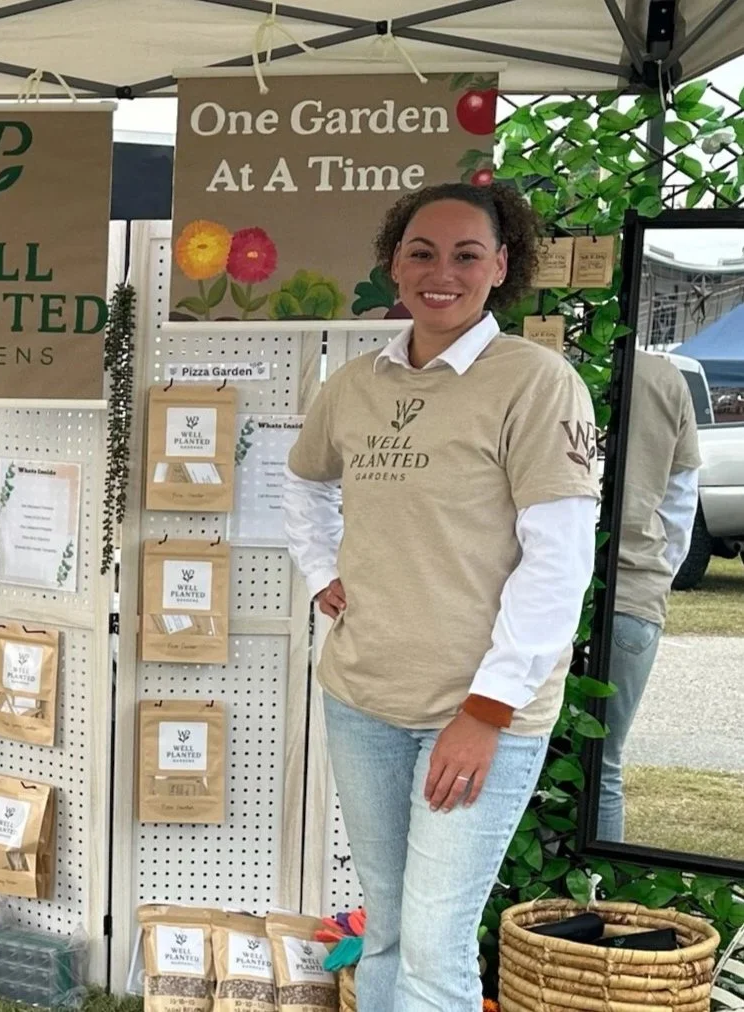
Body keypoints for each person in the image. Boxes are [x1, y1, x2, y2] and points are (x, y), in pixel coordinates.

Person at [283, 183, 601, 1010]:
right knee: (386, 928)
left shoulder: (537, 384)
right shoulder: (355, 384)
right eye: (422, 251)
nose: (442, 273)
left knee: (433, 945)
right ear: (395, 262)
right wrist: (323, 574)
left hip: (478, 714)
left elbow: (559, 563)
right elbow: (302, 484)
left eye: (467, 255)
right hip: (364, 697)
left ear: (501, 266)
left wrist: (486, 711)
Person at [599, 349, 700, 841]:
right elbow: (681, 497)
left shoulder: (541, 357)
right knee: (604, 766)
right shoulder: (665, 377)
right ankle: (603, 903)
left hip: (540, 592)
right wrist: (657, 573)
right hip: (634, 592)